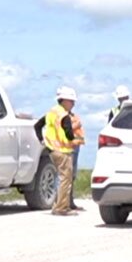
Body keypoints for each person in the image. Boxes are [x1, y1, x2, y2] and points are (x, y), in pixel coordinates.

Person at [42, 86, 84, 216]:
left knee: (61, 178)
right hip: (63, 150)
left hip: (53, 150)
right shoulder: (64, 115)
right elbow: (69, 134)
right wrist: (76, 137)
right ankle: (61, 208)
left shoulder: (51, 112)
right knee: (66, 179)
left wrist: (43, 141)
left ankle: (58, 205)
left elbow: (38, 126)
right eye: (71, 101)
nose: (73, 104)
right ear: (64, 100)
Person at [69, 111, 86, 211]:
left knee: (72, 175)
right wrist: (76, 125)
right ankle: (63, 202)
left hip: (76, 146)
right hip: (69, 147)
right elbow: (63, 129)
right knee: (67, 176)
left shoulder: (73, 115)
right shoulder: (62, 115)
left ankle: (70, 202)